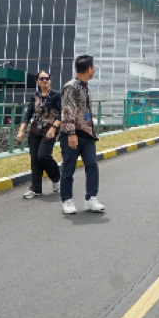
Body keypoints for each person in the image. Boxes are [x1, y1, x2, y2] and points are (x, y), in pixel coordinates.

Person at [59, 55, 103, 214]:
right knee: (68, 168)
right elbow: (67, 111)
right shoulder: (71, 86)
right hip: (73, 134)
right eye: (94, 67)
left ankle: (91, 198)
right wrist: (71, 133)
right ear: (89, 69)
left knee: (92, 165)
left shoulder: (84, 86)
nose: (95, 70)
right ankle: (67, 200)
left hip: (87, 134)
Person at [16, 70, 61, 198]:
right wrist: (21, 130)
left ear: (50, 80)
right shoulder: (35, 96)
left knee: (43, 156)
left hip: (49, 130)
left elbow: (62, 113)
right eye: (41, 79)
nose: (44, 81)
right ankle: (36, 189)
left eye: (47, 78)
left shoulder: (56, 95)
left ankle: (56, 177)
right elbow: (28, 114)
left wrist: (54, 128)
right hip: (35, 131)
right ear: (37, 81)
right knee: (35, 159)